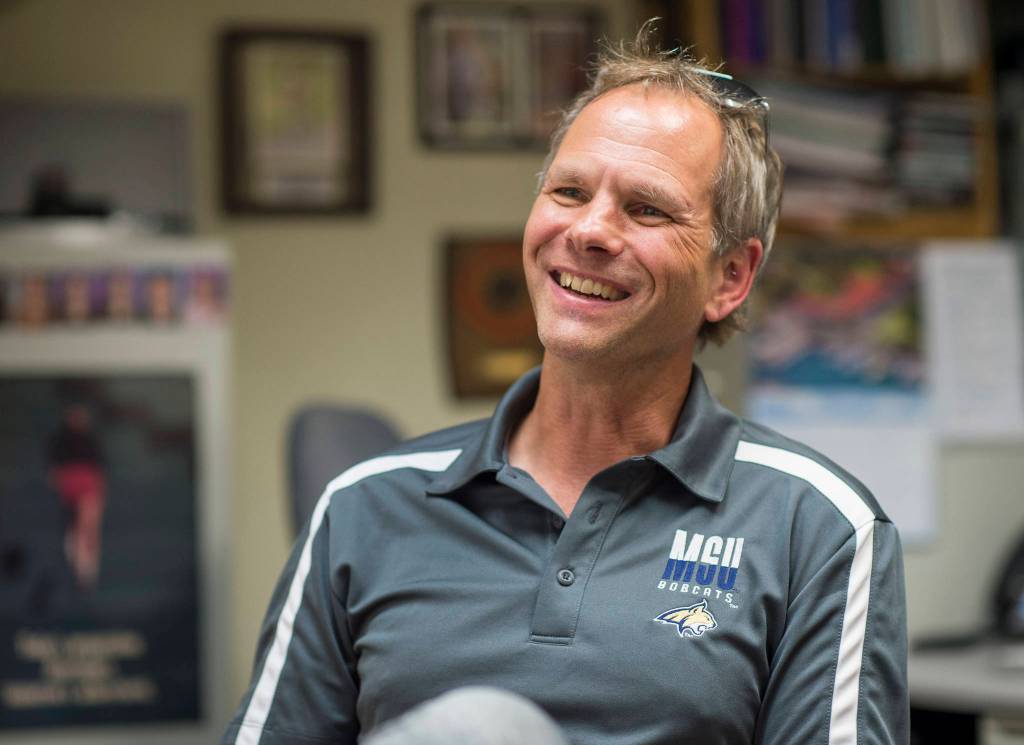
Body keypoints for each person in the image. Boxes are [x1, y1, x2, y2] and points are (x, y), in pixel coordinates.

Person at [223, 28, 907, 745]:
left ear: (730, 277)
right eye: (569, 191)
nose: (589, 230)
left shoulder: (819, 528)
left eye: (646, 209)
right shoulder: (360, 506)